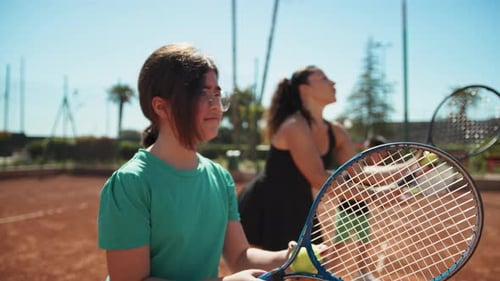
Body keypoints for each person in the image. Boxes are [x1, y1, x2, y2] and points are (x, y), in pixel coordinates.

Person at [97, 43, 290, 281]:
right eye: (201, 93)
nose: (216, 105)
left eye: (217, 94)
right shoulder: (131, 183)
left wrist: (287, 259)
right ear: (161, 107)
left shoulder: (220, 178)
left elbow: (240, 256)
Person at [238, 65, 357, 252]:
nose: (333, 82)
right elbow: (317, 177)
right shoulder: (294, 125)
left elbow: (361, 172)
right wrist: (374, 195)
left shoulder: (336, 131)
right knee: (267, 274)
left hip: (301, 206)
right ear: (304, 88)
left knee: (305, 272)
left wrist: (409, 169)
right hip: (267, 207)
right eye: (323, 78)